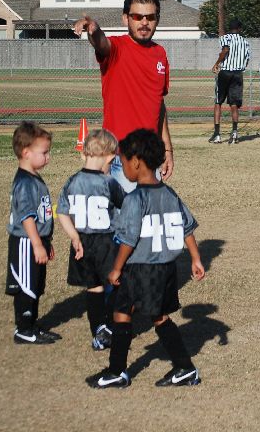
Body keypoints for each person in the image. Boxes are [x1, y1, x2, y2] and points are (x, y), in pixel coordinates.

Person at [86, 129, 205, 389]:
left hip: (141, 268)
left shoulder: (135, 199)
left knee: (129, 314)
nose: (122, 166)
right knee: (145, 315)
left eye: (124, 161)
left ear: (137, 162)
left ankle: (120, 371)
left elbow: (128, 239)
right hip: (165, 268)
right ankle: (181, 368)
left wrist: (116, 268)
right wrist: (195, 258)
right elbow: (187, 227)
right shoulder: (170, 194)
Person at [73, 0, 174, 192]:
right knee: (127, 213)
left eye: (150, 17)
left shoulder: (160, 54)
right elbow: (102, 44)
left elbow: (159, 104)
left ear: (157, 20)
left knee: (149, 212)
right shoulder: (117, 48)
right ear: (125, 18)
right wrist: (93, 31)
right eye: (137, 16)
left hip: (150, 158)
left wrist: (167, 149)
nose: (144, 22)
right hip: (122, 159)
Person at [56, 129, 124, 350]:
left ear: (84, 154)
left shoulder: (72, 181)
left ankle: (98, 332)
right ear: (109, 157)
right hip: (105, 243)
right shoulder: (109, 182)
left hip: (82, 244)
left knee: (93, 288)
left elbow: (62, 212)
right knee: (117, 284)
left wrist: (74, 236)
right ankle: (110, 327)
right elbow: (126, 205)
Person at [6, 121, 60, 345]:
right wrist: (37, 244)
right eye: (44, 153)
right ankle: (23, 329)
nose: (48, 157)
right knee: (26, 287)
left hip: (37, 241)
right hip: (25, 243)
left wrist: (46, 242)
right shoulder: (25, 183)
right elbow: (27, 217)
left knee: (36, 285)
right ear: (26, 153)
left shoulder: (33, 178)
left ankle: (32, 325)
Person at [209, 19, 251, 145]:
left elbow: (225, 49)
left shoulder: (225, 38)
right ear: (240, 29)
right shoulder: (245, 42)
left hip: (226, 72)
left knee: (218, 102)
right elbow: (247, 59)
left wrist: (217, 63)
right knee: (234, 104)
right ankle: (235, 133)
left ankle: (217, 134)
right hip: (238, 74)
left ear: (230, 28)